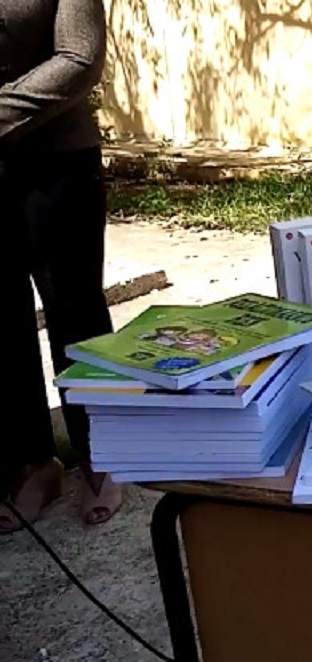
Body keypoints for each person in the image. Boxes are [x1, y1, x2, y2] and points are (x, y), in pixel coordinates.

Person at [1, 0, 120, 533]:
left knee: (75, 312)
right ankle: (33, 463)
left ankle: (101, 455)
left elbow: (80, 56)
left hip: (57, 161)